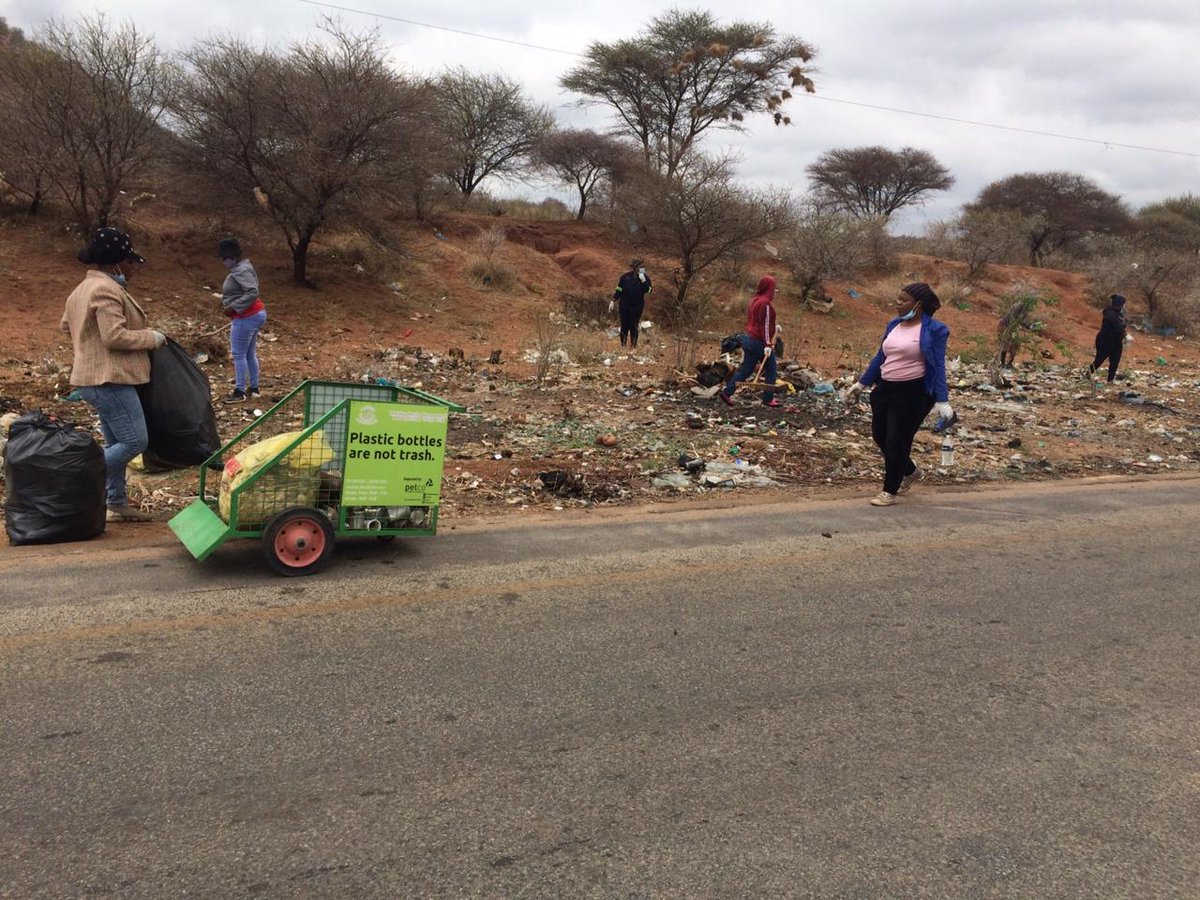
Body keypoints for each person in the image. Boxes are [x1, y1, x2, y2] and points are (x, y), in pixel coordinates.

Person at [60, 227, 166, 523]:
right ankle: (71, 480)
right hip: (109, 378)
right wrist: (151, 338)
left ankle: (116, 501)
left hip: (91, 377)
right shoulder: (106, 289)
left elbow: (65, 326)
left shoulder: (81, 289)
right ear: (116, 263)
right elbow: (114, 337)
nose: (133, 268)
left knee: (116, 441)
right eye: (130, 263)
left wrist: (86, 340)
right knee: (135, 442)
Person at [843, 282, 952, 507]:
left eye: (904, 300)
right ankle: (910, 471)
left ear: (919, 304)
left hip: (913, 392)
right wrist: (861, 384)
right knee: (879, 436)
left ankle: (889, 490)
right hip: (885, 388)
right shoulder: (894, 325)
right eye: (898, 299)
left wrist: (943, 400)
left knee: (897, 440)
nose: (898, 304)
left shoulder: (936, 330)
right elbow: (880, 357)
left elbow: (938, 365)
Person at [720, 275, 780, 408]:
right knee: (771, 369)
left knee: (746, 369)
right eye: (773, 289)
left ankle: (727, 392)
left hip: (748, 339)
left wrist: (774, 327)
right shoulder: (766, 304)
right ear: (769, 289)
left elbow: (758, 322)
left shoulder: (754, 301)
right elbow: (764, 326)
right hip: (759, 342)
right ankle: (768, 398)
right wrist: (768, 345)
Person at [218, 237, 266, 403]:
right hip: (254, 314)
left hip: (246, 316)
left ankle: (239, 391)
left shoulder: (240, 270)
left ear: (233, 257)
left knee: (239, 354)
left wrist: (233, 307)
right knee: (249, 353)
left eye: (225, 258)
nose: (223, 261)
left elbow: (252, 292)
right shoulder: (244, 266)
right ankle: (254, 388)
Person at [1086, 294, 1128, 384]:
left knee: (1115, 361)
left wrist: (1123, 335)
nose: (1124, 306)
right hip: (1105, 340)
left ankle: (1110, 380)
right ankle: (1089, 373)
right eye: (1123, 303)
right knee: (1100, 359)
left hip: (1116, 341)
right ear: (1120, 304)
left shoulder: (1119, 313)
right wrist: (1125, 334)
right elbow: (1116, 325)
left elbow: (1121, 326)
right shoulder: (1109, 313)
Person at [611, 258, 651, 348]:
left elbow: (649, 291)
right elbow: (619, 289)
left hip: (637, 306)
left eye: (643, 267)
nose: (642, 269)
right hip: (624, 305)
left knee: (634, 326)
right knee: (624, 326)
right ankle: (623, 345)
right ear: (635, 267)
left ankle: (633, 346)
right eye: (640, 267)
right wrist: (613, 300)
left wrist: (643, 281)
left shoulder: (645, 278)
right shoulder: (625, 277)